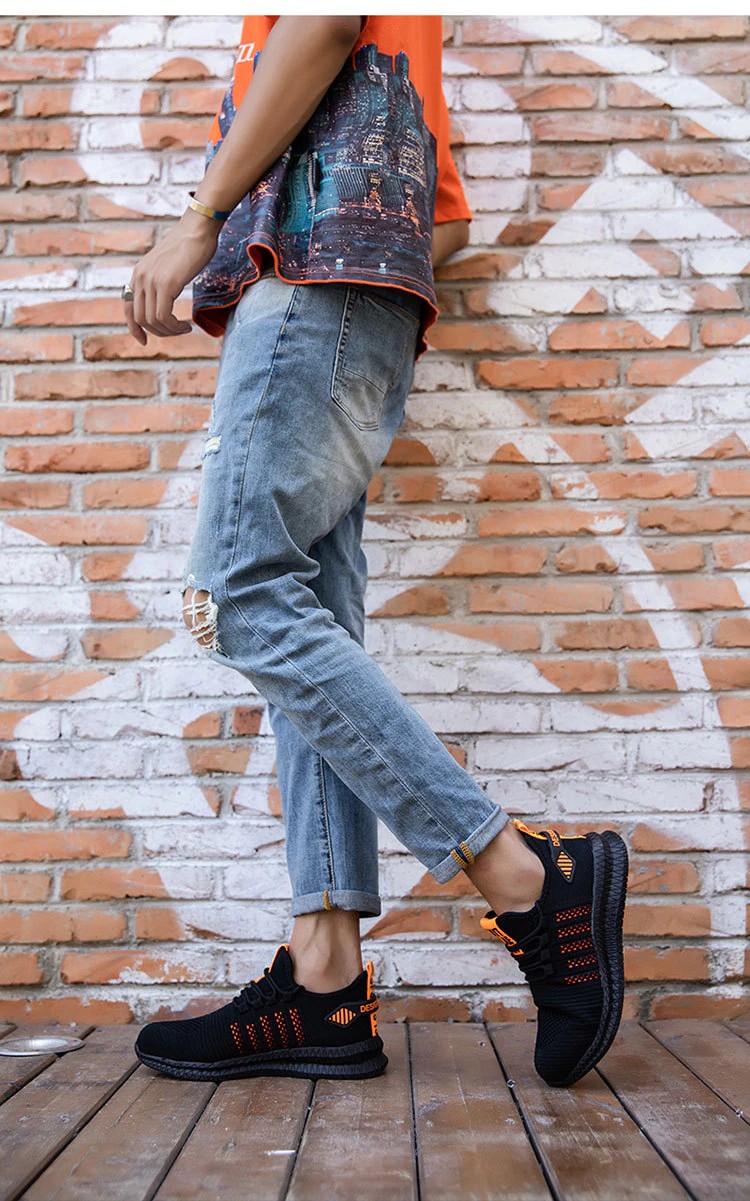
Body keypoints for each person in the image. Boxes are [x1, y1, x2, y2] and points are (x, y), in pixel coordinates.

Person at [124, 15, 627, 1089]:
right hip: (359, 310)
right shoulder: (404, 57)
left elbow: (323, 19)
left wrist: (203, 221)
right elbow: (444, 218)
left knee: (239, 599)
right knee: (309, 628)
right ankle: (324, 978)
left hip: (309, 298)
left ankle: (526, 876)